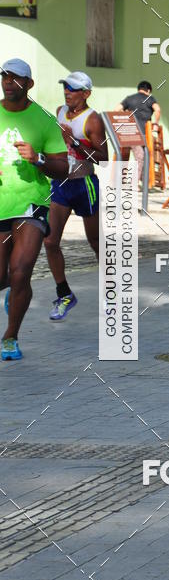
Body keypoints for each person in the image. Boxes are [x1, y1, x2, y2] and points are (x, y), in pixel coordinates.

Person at [0, 59, 68, 360]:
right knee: (6, 277)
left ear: (29, 84)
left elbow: (62, 168)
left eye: (15, 78)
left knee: (21, 270)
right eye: (4, 77)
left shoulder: (43, 120)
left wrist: (39, 158)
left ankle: (10, 336)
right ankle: (16, 294)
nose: (8, 82)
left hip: (32, 205)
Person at [44, 71, 107, 320]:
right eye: (65, 87)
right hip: (61, 184)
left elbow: (103, 158)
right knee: (50, 241)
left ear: (86, 93)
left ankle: (111, 293)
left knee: (95, 242)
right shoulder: (59, 111)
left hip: (85, 185)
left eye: (72, 88)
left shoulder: (93, 120)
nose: (67, 92)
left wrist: (76, 142)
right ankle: (64, 294)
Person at [115, 81, 161, 184]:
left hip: (127, 133)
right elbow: (157, 110)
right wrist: (156, 123)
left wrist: (126, 118)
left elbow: (117, 109)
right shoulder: (150, 98)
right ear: (148, 90)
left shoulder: (129, 98)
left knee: (124, 156)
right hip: (142, 133)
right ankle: (135, 182)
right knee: (141, 156)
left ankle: (121, 180)